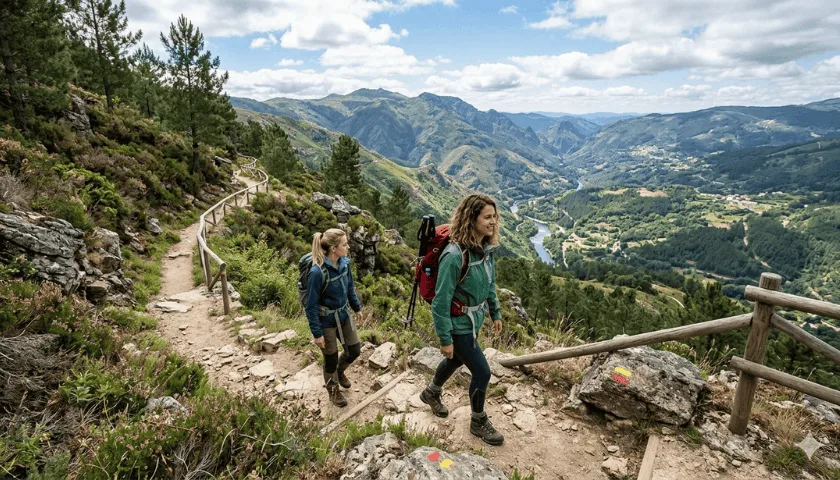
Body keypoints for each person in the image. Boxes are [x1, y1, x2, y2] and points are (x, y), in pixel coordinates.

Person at [420, 193, 505, 445]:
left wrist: (495, 311)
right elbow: (440, 301)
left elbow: (490, 283)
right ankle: (478, 421)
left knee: (457, 359)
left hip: (474, 320)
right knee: (482, 372)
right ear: (472, 219)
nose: (493, 222)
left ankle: (431, 393)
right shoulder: (454, 256)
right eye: (487, 217)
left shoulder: (485, 250)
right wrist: (445, 338)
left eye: (494, 216)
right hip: (459, 325)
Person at [305, 228, 362, 407]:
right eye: (344, 245)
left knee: (354, 350)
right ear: (333, 248)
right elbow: (310, 305)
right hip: (326, 321)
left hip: (344, 314)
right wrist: (317, 334)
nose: (348, 247)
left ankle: (339, 371)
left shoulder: (344, 263)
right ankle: (333, 390)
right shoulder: (317, 272)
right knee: (330, 358)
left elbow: (350, 287)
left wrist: (356, 307)